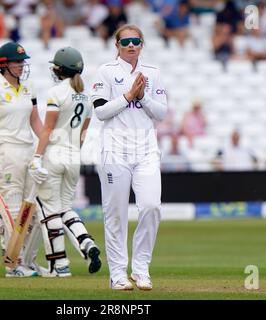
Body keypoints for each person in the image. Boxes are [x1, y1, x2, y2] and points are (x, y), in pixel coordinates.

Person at [91, 24, 168, 290]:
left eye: (136, 41)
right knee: (116, 214)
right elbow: (100, 112)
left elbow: (161, 113)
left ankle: (141, 269)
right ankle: (118, 275)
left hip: (146, 150)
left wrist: (143, 96)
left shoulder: (153, 73)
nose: (131, 45)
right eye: (126, 42)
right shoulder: (106, 71)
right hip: (115, 151)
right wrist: (128, 96)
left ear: (142, 44)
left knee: (151, 206)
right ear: (117, 45)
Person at [0, 42, 48, 277]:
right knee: (14, 212)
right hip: (6, 153)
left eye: (22, 61)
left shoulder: (29, 88)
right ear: (3, 64)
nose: (21, 65)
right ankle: (12, 265)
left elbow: (36, 121)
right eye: (17, 62)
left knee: (34, 211)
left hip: (29, 152)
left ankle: (28, 261)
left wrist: (48, 145)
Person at [29, 47, 101, 277]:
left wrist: (37, 157)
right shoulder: (87, 96)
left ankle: (59, 266)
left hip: (54, 155)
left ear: (61, 69)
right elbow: (82, 134)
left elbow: (48, 128)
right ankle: (86, 242)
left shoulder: (56, 93)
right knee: (65, 209)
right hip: (73, 157)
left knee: (50, 213)